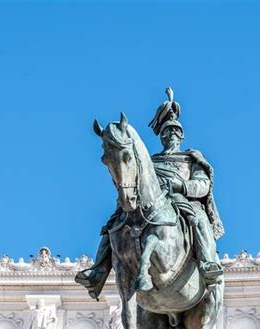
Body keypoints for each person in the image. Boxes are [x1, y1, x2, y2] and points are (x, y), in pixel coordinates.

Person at [76, 88, 224, 298]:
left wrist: (181, 186)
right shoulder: (150, 161)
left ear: (181, 136)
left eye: (176, 131)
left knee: (199, 219)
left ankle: (207, 263)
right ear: (161, 136)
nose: (172, 134)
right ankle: (98, 271)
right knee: (114, 224)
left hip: (182, 202)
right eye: (167, 131)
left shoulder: (191, 159)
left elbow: (203, 185)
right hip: (150, 203)